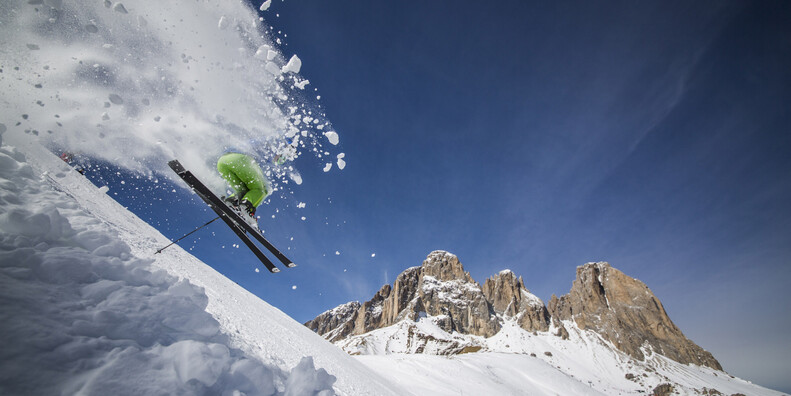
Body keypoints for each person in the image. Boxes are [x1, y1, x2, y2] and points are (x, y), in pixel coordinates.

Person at [217, 152, 270, 225]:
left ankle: (231, 202)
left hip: (222, 163)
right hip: (241, 161)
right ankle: (244, 208)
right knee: (261, 191)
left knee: (243, 191)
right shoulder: (259, 172)